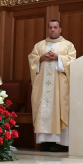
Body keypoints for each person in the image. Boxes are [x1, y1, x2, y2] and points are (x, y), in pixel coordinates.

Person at [28, 20, 76, 152]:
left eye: (55, 27)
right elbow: (32, 60)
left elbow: (73, 62)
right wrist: (41, 58)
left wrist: (59, 58)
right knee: (43, 110)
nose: (52, 30)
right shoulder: (39, 46)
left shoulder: (68, 45)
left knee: (59, 108)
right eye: (50, 28)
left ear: (60, 29)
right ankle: (45, 142)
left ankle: (60, 143)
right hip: (42, 85)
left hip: (60, 86)